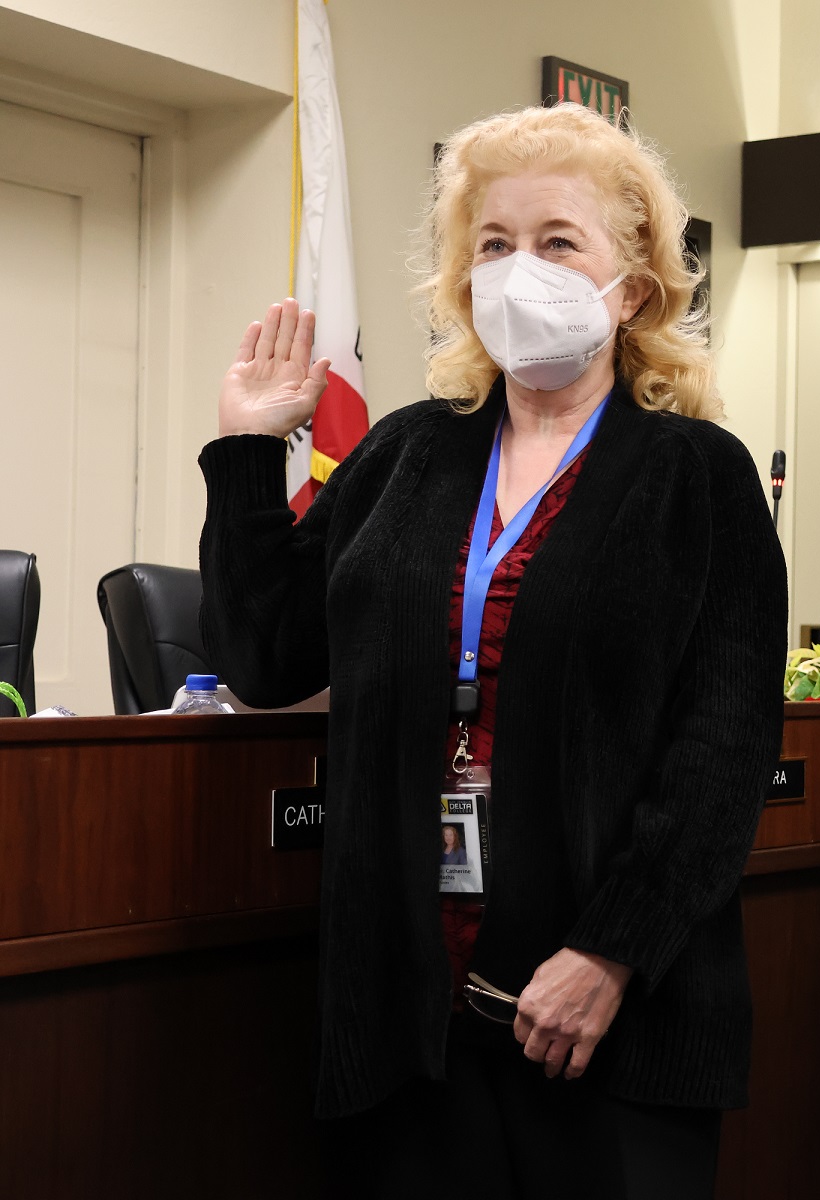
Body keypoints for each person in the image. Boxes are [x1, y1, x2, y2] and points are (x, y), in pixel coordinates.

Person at [197, 103, 786, 1197]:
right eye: (494, 244)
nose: (521, 270)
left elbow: (721, 754)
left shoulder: (698, 476)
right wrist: (245, 452)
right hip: (405, 1024)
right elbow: (267, 657)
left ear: (633, 289)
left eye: (558, 242)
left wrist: (612, 951)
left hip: (606, 1022)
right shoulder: (404, 455)